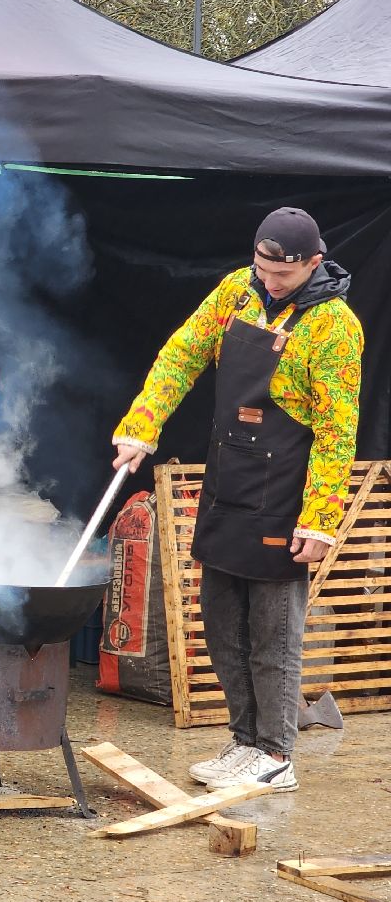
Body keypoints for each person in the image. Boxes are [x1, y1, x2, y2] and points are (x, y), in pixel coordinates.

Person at [111, 207, 362, 794]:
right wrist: (142, 424)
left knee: (273, 632)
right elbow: (182, 353)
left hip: (286, 491)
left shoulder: (335, 325)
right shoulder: (236, 291)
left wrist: (321, 519)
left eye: (283, 274)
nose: (270, 283)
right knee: (223, 622)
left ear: (313, 263)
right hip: (230, 481)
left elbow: (336, 429)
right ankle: (243, 741)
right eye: (263, 268)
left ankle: (275, 754)